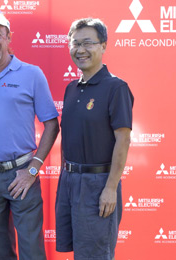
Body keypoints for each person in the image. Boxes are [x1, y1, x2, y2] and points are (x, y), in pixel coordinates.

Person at [0, 8, 59, 260]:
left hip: (22, 174)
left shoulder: (32, 74)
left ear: (8, 37)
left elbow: (51, 124)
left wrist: (33, 169)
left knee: (32, 251)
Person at [55, 18, 134, 260]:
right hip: (69, 181)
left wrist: (110, 188)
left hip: (97, 184)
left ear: (103, 45)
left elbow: (123, 140)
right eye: (75, 43)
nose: (80, 50)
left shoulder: (116, 88)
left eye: (88, 43)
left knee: (96, 254)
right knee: (79, 251)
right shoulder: (71, 88)